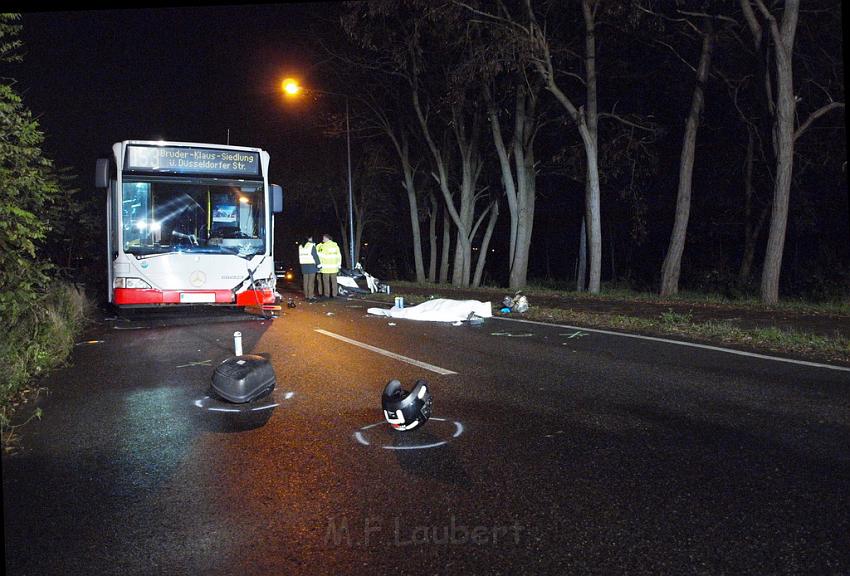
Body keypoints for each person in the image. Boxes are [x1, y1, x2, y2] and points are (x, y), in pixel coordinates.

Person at [316, 233, 342, 298]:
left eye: (323, 238)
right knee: (334, 282)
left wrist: (319, 266)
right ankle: (334, 294)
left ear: (327, 238)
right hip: (334, 268)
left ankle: (327, 295)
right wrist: (339, 265)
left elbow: (320, 257)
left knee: (326, 282)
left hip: (326, 268)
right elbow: (339, 256)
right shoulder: (336, 246)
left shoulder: (323, 246)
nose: (323, 239)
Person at [298, 235, 320, 301]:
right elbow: (315, 256)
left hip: (303, 266)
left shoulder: (300, 246)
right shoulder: (311, 246)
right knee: (311, 282)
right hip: (311, 266)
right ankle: (311, 296)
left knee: (305, 281)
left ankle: (306, 296)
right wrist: (319, 265)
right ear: (308, 239)